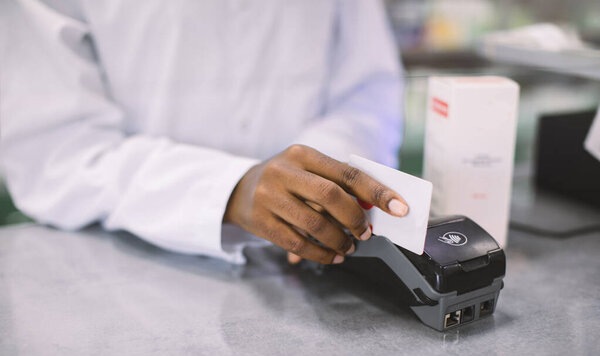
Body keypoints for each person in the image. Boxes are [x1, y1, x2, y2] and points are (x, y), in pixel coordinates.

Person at [0, 0, 408, 265]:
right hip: (127, 271)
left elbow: (366, 91)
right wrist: (228, 191)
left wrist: (316, 182)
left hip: (317, 265)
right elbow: (56, 151)